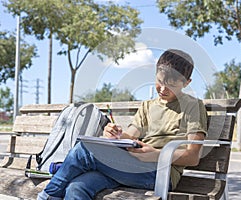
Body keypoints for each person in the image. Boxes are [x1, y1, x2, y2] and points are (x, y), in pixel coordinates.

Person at [37, 49, 208, 200]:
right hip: (128, 166)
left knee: (85, 149)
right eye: (160, 81)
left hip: (160, 174)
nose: (163, 89)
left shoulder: (192, 106)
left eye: (171, 85)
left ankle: (48, 195)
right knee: (77, 187)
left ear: (186, 83)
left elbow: (192, 157)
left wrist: (156, 154)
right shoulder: (148, 106)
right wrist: (116, 134)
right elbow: (129, 136)